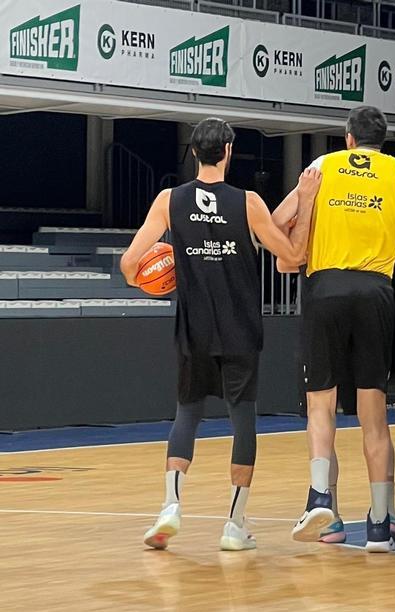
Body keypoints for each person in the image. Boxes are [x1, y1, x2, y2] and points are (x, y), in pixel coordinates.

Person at [127, 117, 314, 551]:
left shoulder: (168, 201)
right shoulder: (248, 203)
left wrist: (157, 277)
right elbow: (293, 255)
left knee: (186, 414)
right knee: (243, 420)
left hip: (194, 327)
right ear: (228, 152)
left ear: (194, 153)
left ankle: (170, 506)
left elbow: (129, 266)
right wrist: (303, 200)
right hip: (240, 328)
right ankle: (234, 525)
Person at [280, 105, 395, 552]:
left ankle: (323, 501)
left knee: (321, 404)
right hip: (376, 291)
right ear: (384, 140)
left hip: (325, 286)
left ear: (347, 138)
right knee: (373, 414)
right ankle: (380, 523)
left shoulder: (321, 166)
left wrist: (306, 222)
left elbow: (279, 220)